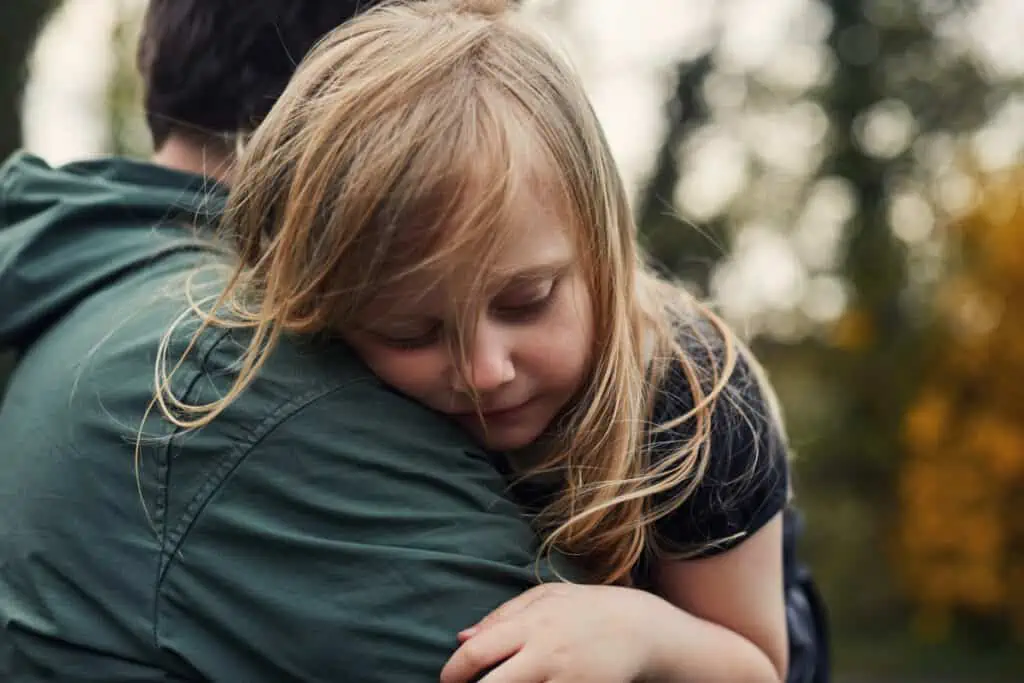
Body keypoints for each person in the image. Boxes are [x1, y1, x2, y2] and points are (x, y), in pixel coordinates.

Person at [0, 0, 828, 680]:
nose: (483, 370)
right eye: (410, 330)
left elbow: (759, 660)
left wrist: (646, 632)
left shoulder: (696, 404)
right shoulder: (240, 363)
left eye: (528, 300)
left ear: (601, 244)